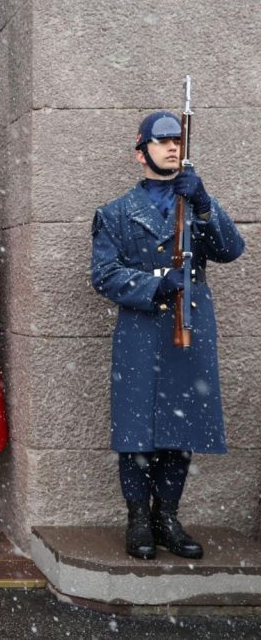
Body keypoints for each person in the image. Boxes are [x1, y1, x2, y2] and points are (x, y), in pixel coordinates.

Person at [91, 111, 245, 560]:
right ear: (141, 153)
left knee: (181, 426)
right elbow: (104, 274)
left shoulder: (194, 201)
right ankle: (139, 519)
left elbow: (231, 249)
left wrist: (204, 203)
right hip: (141, 328)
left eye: (177, 139)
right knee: (136, 429)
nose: (172, 147)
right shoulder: (116, 212)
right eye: (161, 141)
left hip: (189, 327)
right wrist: (154, 286)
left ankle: (168, 518)